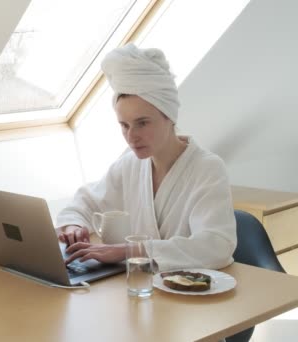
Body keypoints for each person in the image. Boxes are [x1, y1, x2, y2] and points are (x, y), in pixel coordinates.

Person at [56, 43, 236, 272]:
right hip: (142, 287)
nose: (132, 137)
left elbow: (216, 246)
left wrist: (129, 250)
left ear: (169, 117)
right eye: (124, 125)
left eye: (142, 123)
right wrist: (73, 225)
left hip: (193, 292)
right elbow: (86, 203)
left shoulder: (207, 168)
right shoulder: (130, 165)